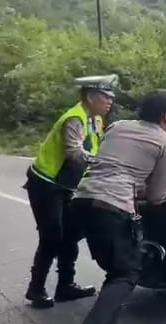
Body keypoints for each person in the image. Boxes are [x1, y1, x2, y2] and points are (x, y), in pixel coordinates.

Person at [59, 89, 166, 324]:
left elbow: (119, 169)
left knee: (116, 272)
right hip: (113, 208)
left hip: (82, 201)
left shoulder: (118, 126)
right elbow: (157, 197)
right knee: (126, 273)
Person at [23, 75, 116, 309]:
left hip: (68, 185)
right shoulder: (75, 118)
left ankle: (66, 286)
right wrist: (101, 162)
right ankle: (36, 289)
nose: (110, 102)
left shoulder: (95, 119)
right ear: (90, 97)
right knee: (52, 236)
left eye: (111, 98)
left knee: (71, 234)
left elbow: (98, 145)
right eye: (105, 97)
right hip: (47, 184)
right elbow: (74, 153)